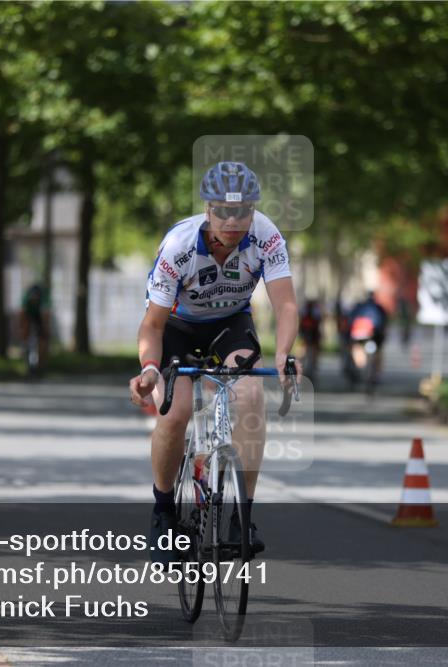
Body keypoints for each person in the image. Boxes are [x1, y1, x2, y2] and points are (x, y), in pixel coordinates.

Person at [128, 161, 299, 561]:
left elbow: (286, 304)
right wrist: (150, 369)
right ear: (208, 210)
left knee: (251, 396)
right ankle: (163, 510)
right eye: (223, 210)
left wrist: (284, 354)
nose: (233, 219)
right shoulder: (179, 246)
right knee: (176, 411)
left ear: (253, 211)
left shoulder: (266, 236)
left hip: (229, 323)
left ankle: (242, 516)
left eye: (243, 211)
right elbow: (151, 325)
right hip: (177, 326)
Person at [347, 291, 388, 385]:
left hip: (359, 334)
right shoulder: (379, 308)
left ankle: (360, 366)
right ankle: (376, 373)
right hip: (374, 334)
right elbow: (384, 323)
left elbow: (350, 320)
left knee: (357, 347)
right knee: (378, 351)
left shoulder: (359, 307)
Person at [20, 282, 51, 371]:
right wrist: (22, 330)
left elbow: (45, 317)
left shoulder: (44, 300)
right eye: (32, 300)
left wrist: (45, 329)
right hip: (29, 314)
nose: (34, 301)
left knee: (43, 337)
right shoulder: (26, 300)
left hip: (40, 315)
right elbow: (22, 315)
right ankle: (26, 357)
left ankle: (41, 364)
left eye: (35, 300)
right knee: (25, 331)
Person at [299, 298, 323, 379]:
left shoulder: (305, 309)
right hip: (313, 333)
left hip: (306, 333)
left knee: (305, 349)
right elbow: (319, 320)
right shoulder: (316, 310)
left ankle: (302, 365)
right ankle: (311, 365)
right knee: (313, 350)